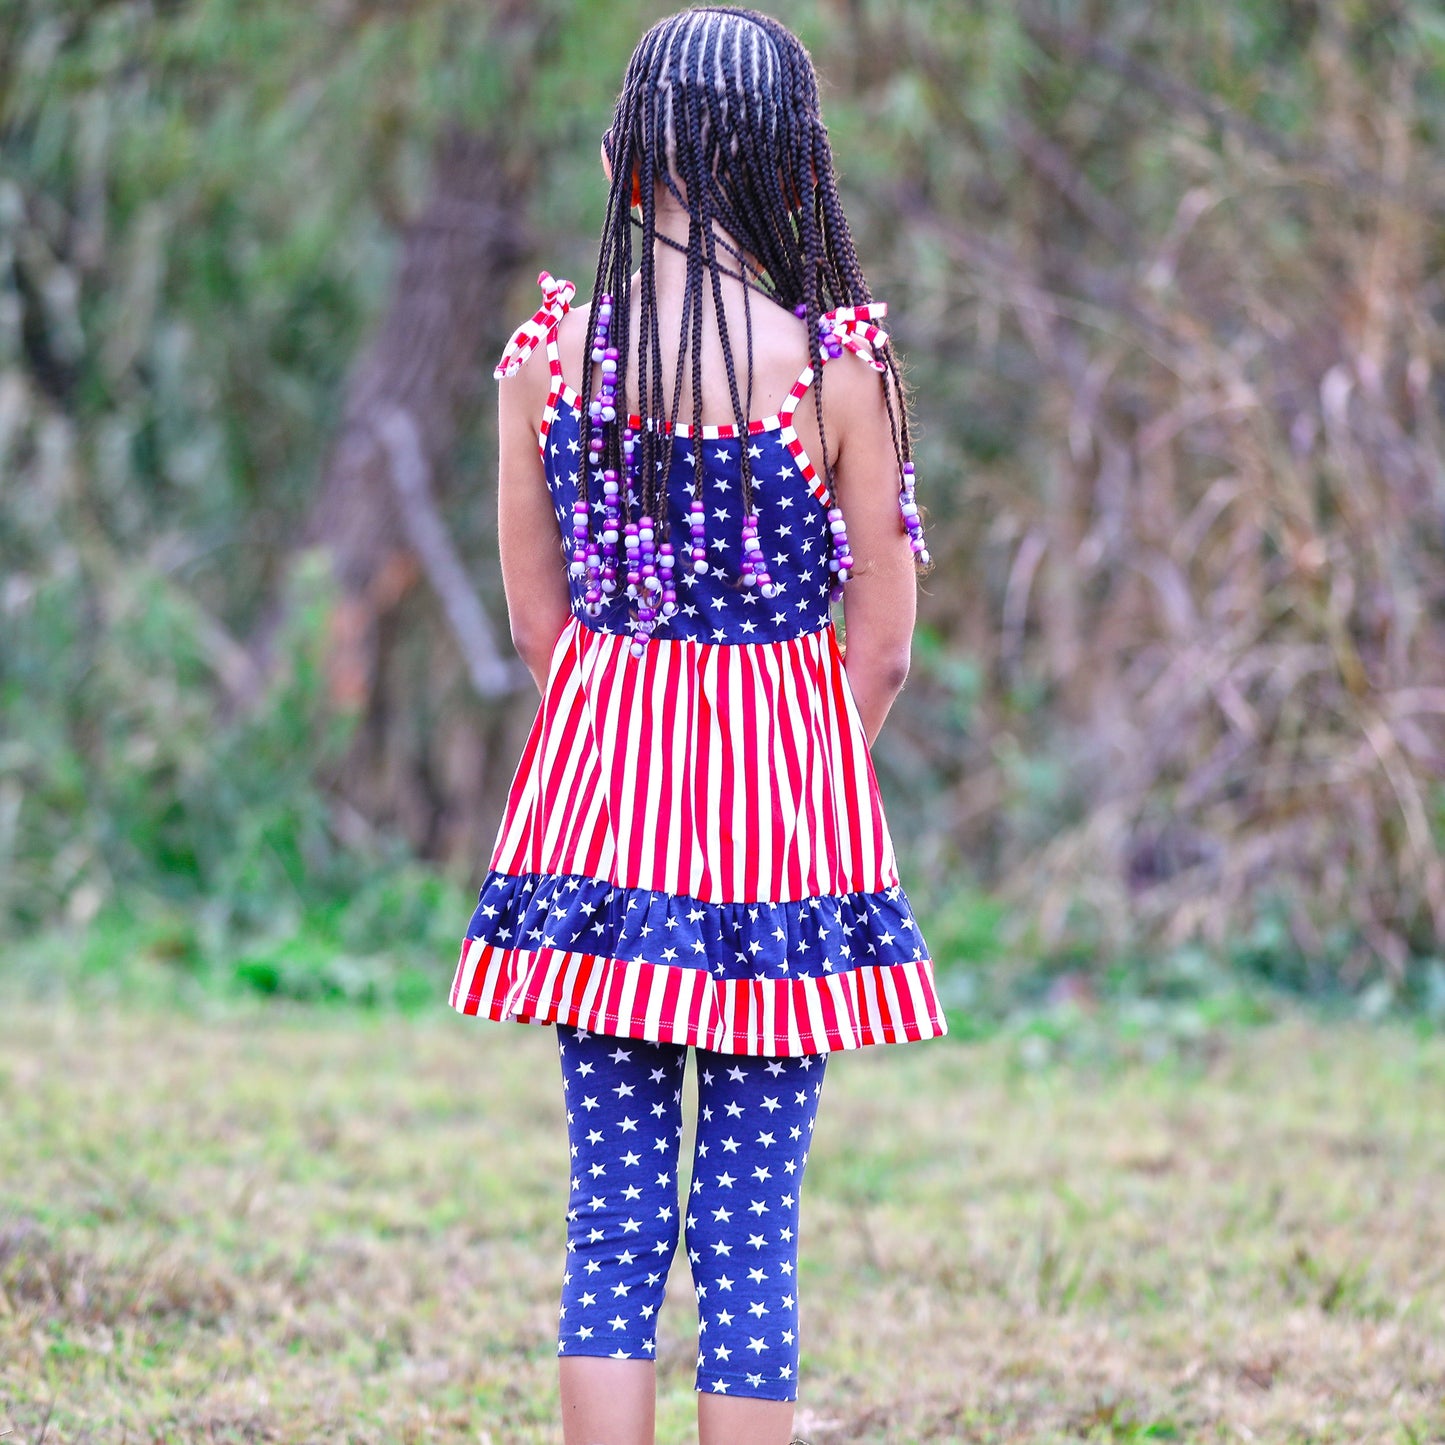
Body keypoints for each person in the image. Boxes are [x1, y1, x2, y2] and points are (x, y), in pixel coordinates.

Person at [449, 9, 946, 1443]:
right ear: (794, 167)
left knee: (608, 1213)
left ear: (623, 158)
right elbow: (887, 642)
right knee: (749, 1228)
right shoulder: (836, 368)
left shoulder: (549, 356)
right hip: (782, 822)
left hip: (599, 807)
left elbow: (540, 625)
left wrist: (632, 736)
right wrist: (794, 760)